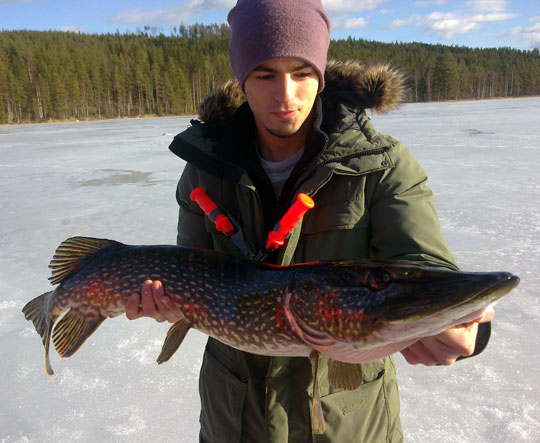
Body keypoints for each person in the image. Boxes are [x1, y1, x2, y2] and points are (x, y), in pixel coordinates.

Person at [125, 0, 493, 441]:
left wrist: (472, 329)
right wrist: (167, 302)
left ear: (320, 74)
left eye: (302, 73)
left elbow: (425, 269)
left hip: (347, 423)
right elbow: (189, 268)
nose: (285, 94)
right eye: (265, 75)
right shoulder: (205, 168)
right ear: (242, 78)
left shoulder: (381, 166)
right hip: (234, 415)